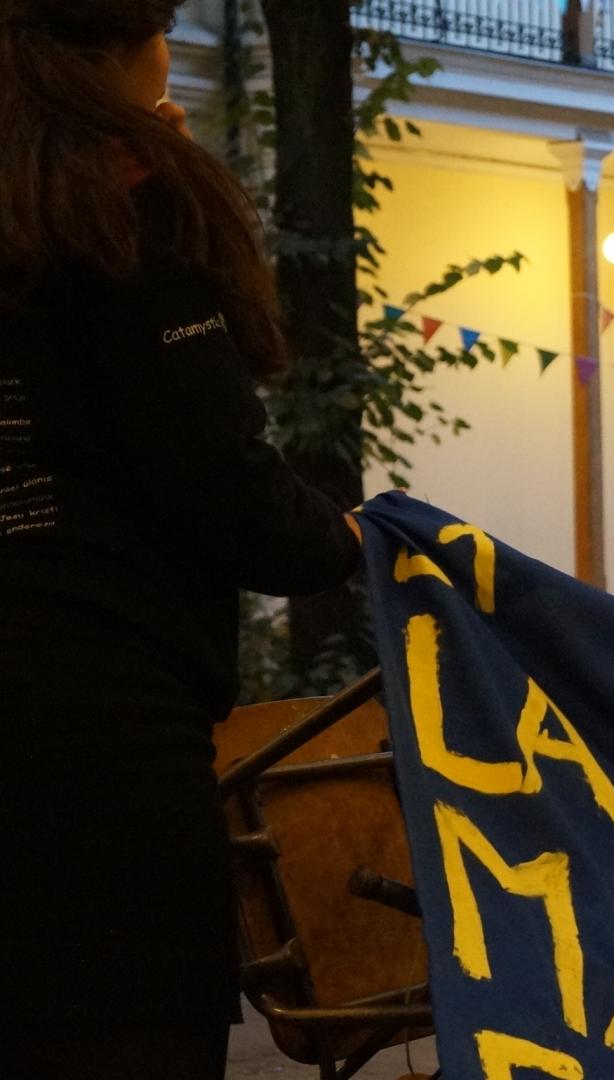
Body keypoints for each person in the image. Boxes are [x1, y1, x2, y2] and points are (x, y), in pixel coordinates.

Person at [0, 3, 363, 1077]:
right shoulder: (116, 204)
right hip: (99, 750)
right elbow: (221, 484)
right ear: (135, 46)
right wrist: (355, 539)